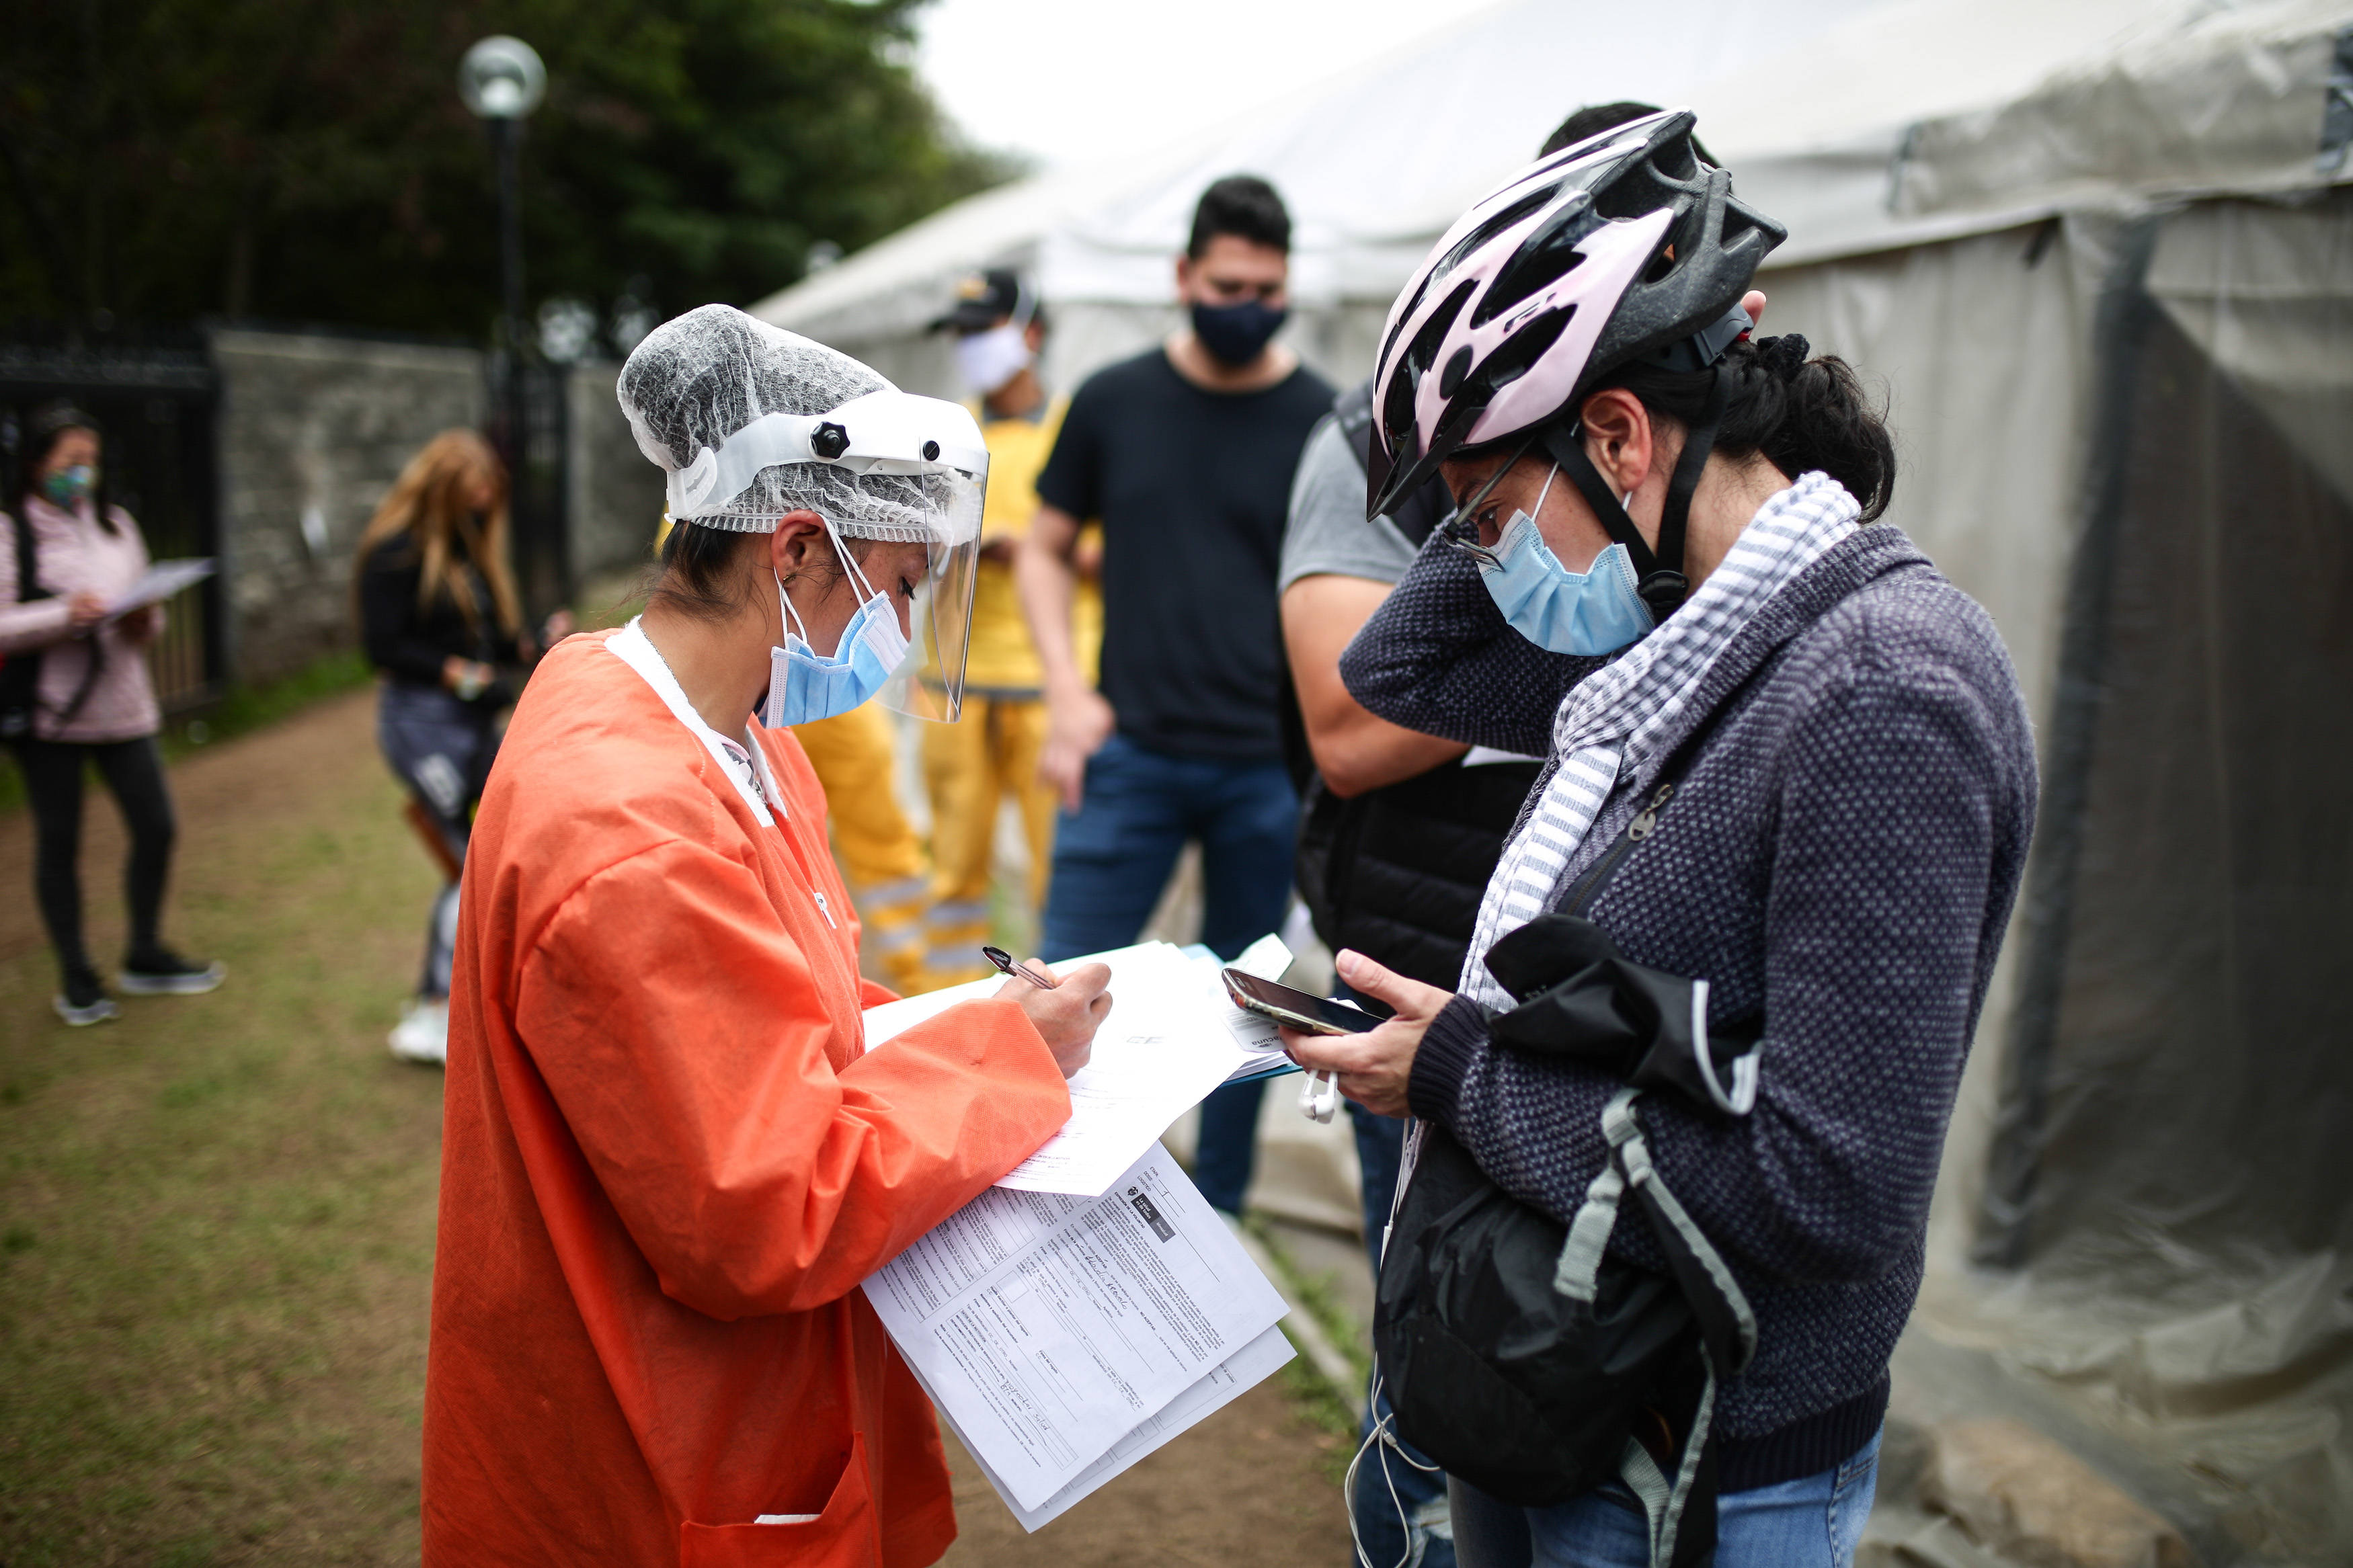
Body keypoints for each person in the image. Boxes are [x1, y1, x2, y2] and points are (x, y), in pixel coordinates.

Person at [1284, 110, 2038, 1567]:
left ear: (1620, 436)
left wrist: (1459, 1066)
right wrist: (1502, 438)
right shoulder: (1690, 625)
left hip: (1701, 1454)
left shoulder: (1877, 690)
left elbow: (1823, 1190)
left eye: (1486, 512)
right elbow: (1402, 672)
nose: (1486, 552)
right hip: (1562, 1378)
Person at [422, 304, 1112, 1567]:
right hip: (661, 1430)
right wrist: (1011, 1062)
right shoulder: (630, 819)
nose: (902, 632)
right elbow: (764, 1200)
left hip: (730, 1395)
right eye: (899, 587)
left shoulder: (731, 731)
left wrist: (957, 1026)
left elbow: (776, 1009)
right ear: (799, 549)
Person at [1279, 101, 1708, 1568]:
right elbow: (1356, 713)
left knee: (1554, 1397)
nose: (1480, 542)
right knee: (1443, 1345)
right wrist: (1498, 516)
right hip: (1427, 941)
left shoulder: (1776, 601)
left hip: (1567, 1028)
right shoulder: (1376, 437)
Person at [1016, 174, 1332, 1215]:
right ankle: (1051, 1197)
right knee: (1059, 989)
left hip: (1269, 770)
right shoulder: (1114, 400)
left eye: (1267, 288)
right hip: (1130, 753)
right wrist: (1068, 692)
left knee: (1255, 1015)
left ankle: (1220, 1215)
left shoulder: (1326, 420)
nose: (1247, 303)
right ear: (1185, 277)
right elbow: (1045, 550)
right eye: (1228, 282)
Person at [1, 402, 222, 1026]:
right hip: (53, 717)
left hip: (126, 707)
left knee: (156, 827)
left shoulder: (118, 524)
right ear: (37, 464)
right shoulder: (11, 533)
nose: (83, 473)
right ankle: (77, 977)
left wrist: (144, 615)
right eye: (71, 461)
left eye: (92, 461)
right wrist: (62, 615)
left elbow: (147, 615)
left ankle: (145, 951)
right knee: (60, 842)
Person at [356, 429, 566, 1065]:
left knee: (497, 850)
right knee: (471, 860)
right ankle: (431, 1009)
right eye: (473, 492)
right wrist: (454, 673)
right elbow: (384, 648)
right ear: (445, 490)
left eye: (489, 494)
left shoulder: (469, 555)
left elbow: (489, 644)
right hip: (422, 727)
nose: (483, 503)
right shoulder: (395, 554)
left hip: (473, 725)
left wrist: (533, 641)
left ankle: (469, 1005)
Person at [918, 268, 1102, 987]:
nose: (968, 346)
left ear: (1029, 332)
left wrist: (1026, 549)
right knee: (952, 866)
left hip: (1043, 683)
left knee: (1055, 870)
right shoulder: (947, 435)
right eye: (960, 333)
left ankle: (1058, 1005)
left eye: (981, 330)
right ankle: (943, 1005)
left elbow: (1108, 554)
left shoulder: (1073, 428)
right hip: (950, 681)